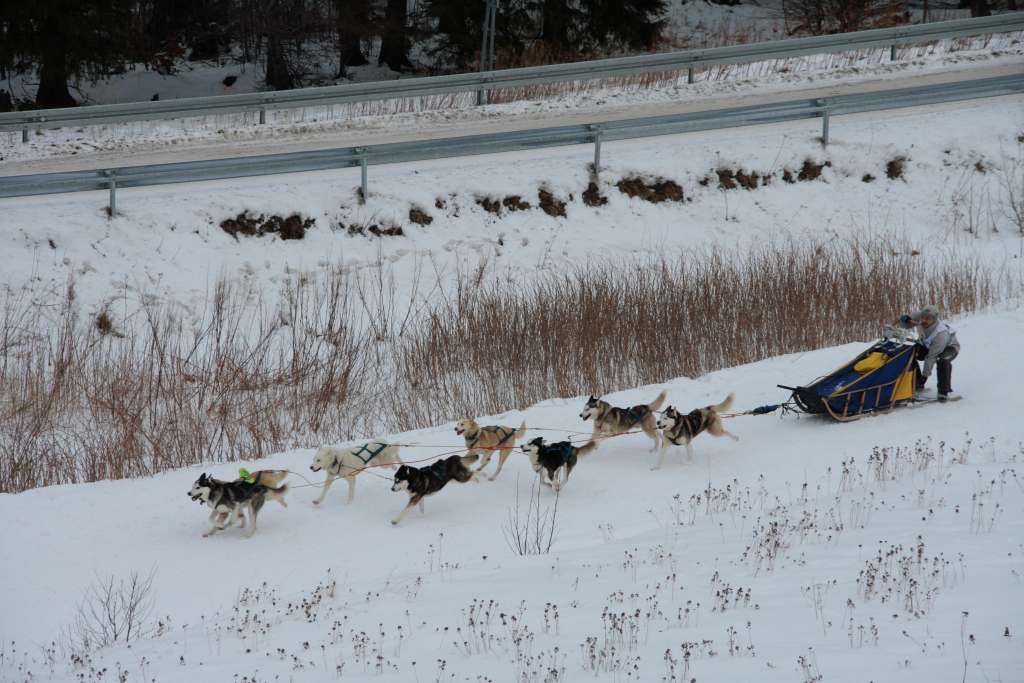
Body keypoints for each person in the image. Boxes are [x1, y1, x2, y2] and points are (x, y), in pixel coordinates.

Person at [898, 305, 960, 401]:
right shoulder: (918, 316)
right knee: (910, 351)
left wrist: (925, 376)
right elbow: (905, 325)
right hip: (928, 345)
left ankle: (944, 391)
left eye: (928, 319)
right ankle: (916, 382)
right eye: (922, 317)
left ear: (934, 319)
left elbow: (931, 357)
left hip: (949, 348)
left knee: (942, 361)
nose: (924, 320)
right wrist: (903, 320)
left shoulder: (941, 334)